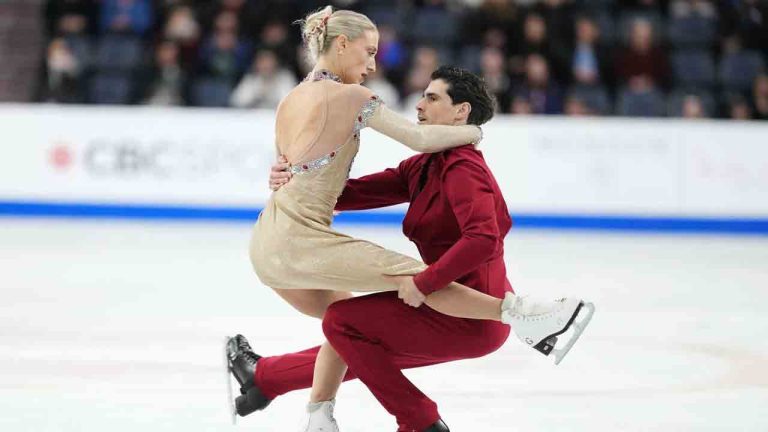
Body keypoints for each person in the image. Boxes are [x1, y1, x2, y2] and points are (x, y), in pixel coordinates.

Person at [226, 6, 594, 431]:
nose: (417, 103)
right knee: (348, 328)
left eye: (432, 98)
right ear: (342, 45)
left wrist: (424, 283)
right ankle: (383, 416)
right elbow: (345, 187)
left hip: (465, 310)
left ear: (460, 113)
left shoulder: (462, 167)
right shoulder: (418, 167)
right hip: (425, 295)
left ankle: (284, 391)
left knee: (349, 329)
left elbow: (482, 239)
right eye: (369, 53)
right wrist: (289, 178)